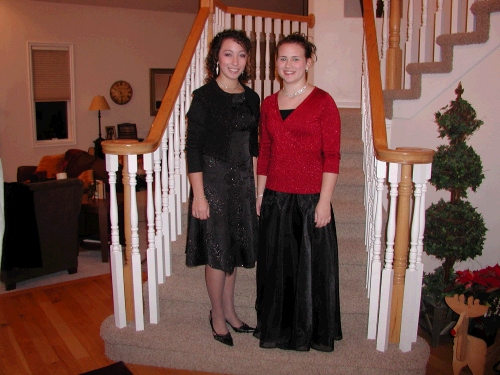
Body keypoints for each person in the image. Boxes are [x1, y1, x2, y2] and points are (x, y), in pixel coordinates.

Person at [254, 32, 343, 352]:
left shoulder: (323, 102)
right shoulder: (267, 104)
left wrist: (325, 202)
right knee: (276, 270)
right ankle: (276, 329)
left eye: (295, 58)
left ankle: (310, 332)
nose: (288, 65)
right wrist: (260, 196)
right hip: (276, 198)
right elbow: (265, 152)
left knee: (309, 272)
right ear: (275, 63)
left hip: (309, 201)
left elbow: (331, 156)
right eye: (282, 58)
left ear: (308, 62)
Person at [185, 29, 260, 347]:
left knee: (234, 249)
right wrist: (199, 195)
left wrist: (256, 190)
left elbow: (254, 147)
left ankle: (230, 311)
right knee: (218, 253)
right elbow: (193, 149)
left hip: (242, 183)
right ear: (216, 57)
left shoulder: (252, 97)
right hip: (213, 185)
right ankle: (216, 314)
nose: (235, 61)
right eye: (228, 53)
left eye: (241, 54)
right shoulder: (204, 97)